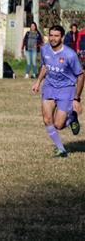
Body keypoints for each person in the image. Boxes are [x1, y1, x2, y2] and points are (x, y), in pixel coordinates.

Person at [31, 25, 84, 158]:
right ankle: (61, 150)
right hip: (49, 86)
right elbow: (44, 66)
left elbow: (81, 75)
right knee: (47, 119)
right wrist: (38, 81)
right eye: (51, 35)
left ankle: (72, 117)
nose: (53, 38)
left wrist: (76, 98)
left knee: (58, 125)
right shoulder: (44, 49)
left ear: (61, 37)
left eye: (56, 36)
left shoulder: (70, 55)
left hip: (66, 89)